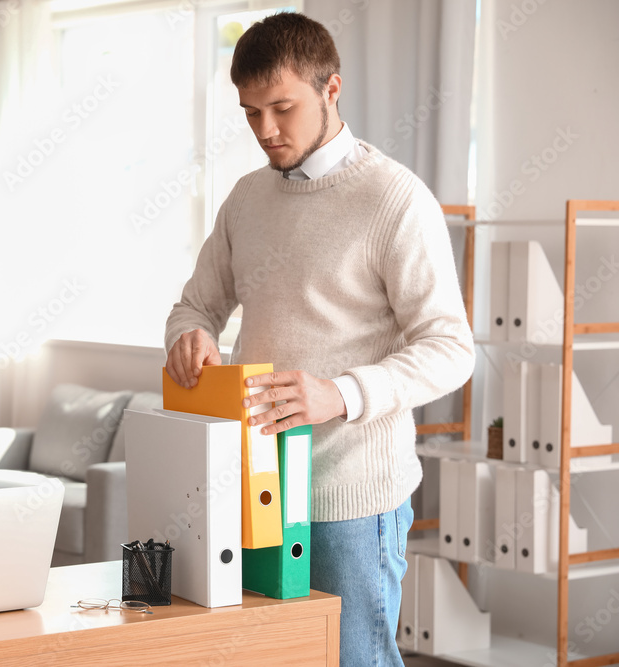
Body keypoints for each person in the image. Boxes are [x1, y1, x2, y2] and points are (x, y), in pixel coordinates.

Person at [163, 12, 475, 666]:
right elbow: (196, 305)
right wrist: (190, 335)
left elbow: (451, 347)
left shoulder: (395, 200)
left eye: (282, 107)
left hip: (352, 503)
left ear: (332, 90)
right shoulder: (246, 200)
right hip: (251, 485)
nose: (266, 131)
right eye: (250, 113)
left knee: (354, 659)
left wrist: (340, 393)